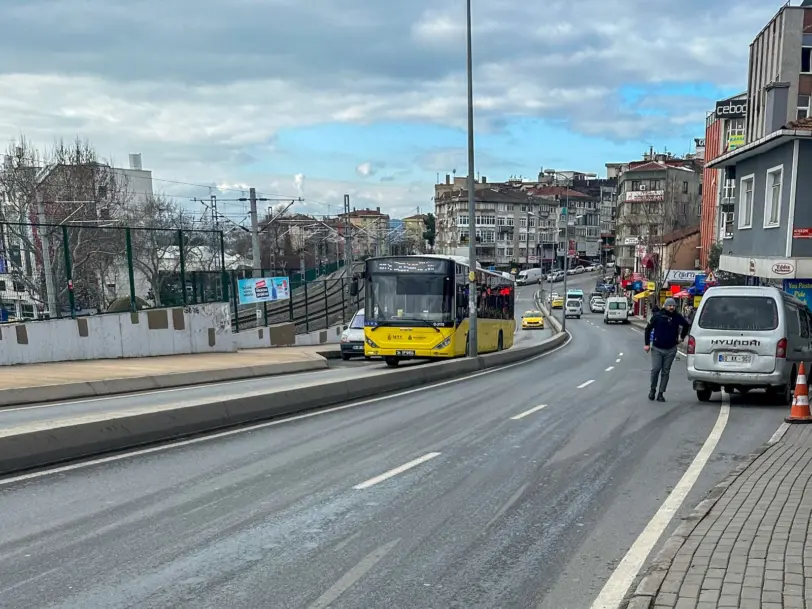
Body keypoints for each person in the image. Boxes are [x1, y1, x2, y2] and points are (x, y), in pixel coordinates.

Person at [644, 297, 691, 402]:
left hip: (671, 349)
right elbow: (648, 329)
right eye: (670, 305)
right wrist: (647, 344)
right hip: (657, 348)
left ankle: (661, 393)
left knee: (666, 372)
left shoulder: (676, 317)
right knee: (656, 369)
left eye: (673, 306)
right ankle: (652, 390)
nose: (672, 307)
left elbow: (686, 325)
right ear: (665, 306)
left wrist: (682, 337)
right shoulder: (657, 316)